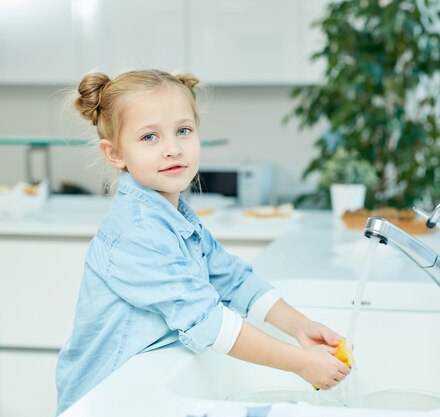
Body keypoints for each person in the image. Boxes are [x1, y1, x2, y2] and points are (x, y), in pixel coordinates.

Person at [55, 69, 350, 415]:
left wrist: (302, 327)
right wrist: (300, 362)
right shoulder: (136, 233)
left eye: (183, 130)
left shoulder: (172, 214)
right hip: (105, 397)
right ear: (115, 153)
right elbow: (207, 321)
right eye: (150, 137)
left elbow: (233, 279)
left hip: (146, 382)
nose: (173, 149)